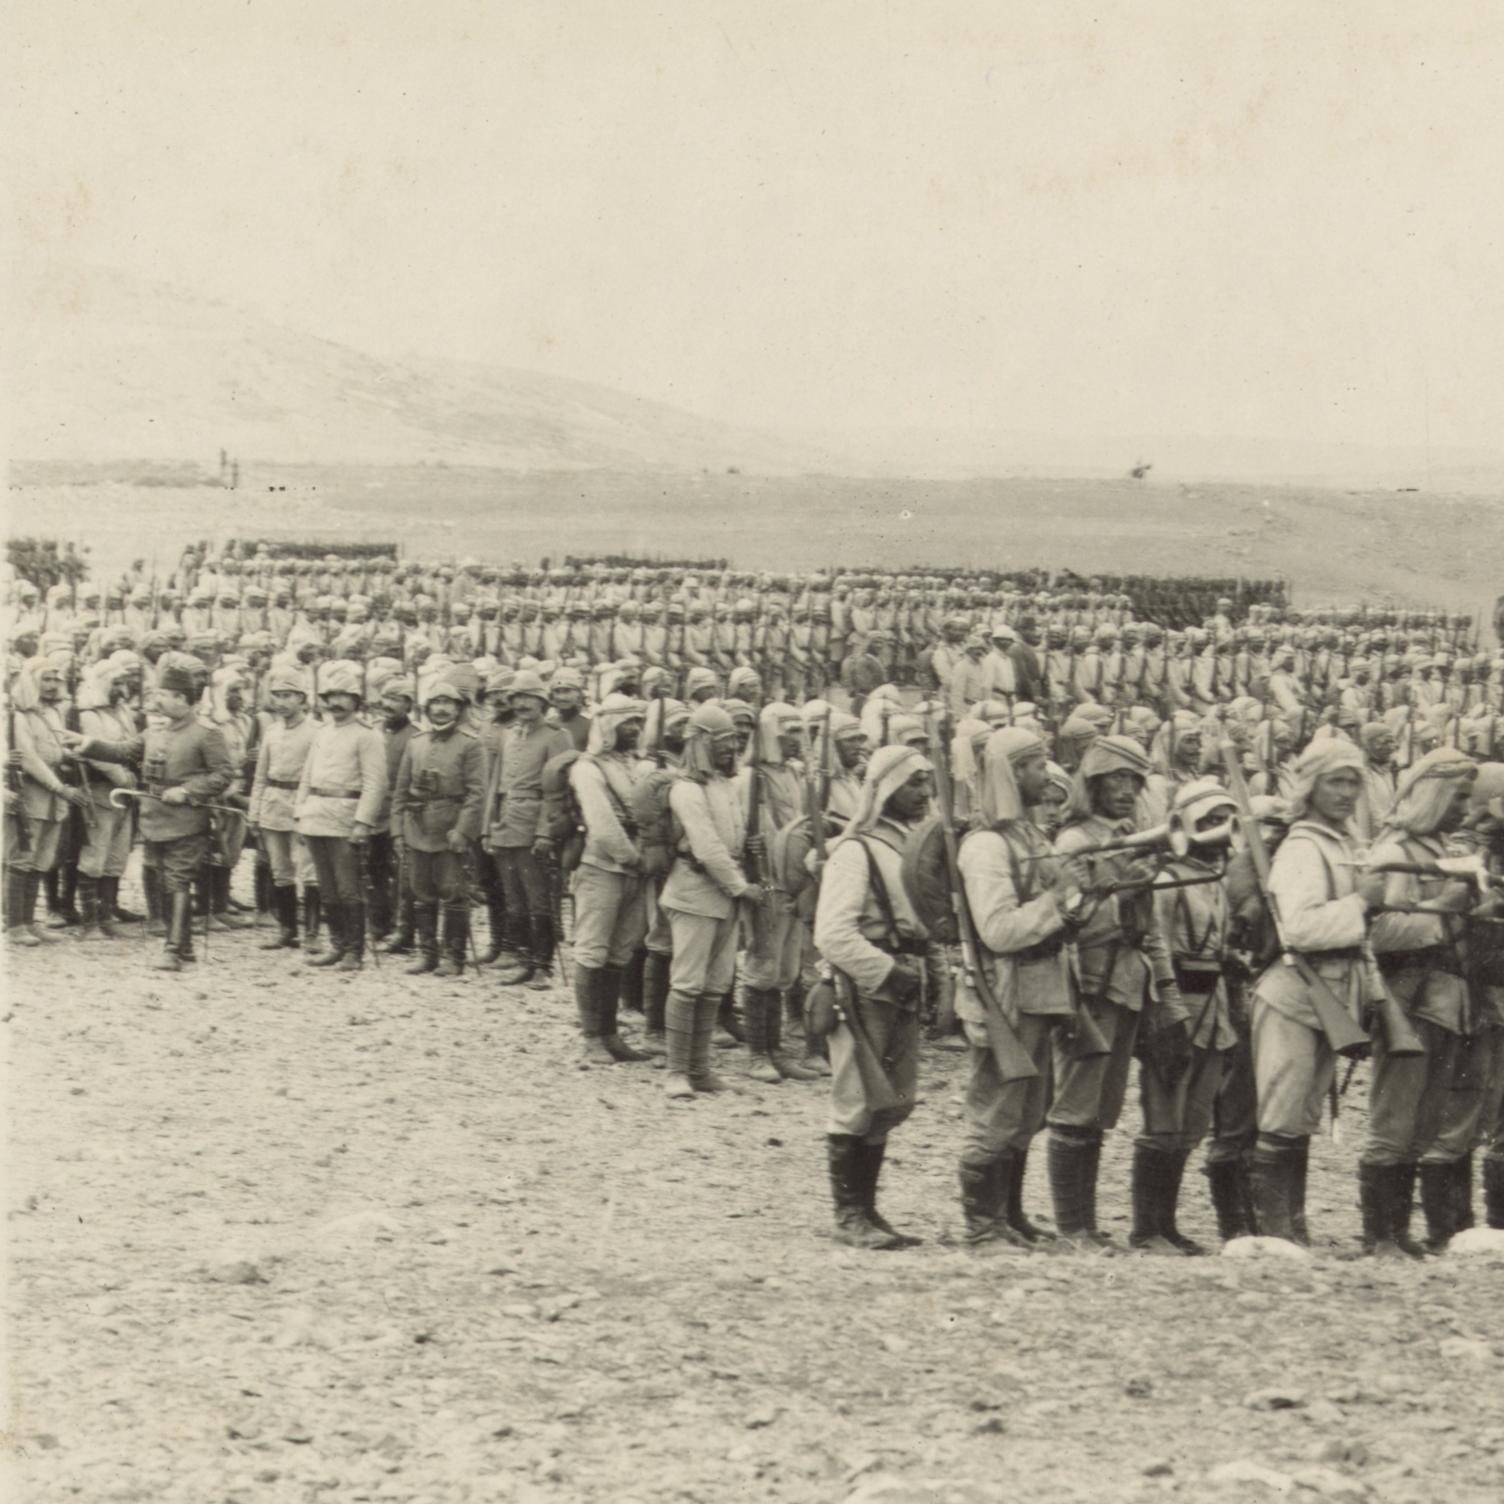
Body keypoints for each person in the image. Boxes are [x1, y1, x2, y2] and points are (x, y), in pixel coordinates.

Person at [1047, 736, 1187, 1252]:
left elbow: (1149, 928)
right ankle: (1072, 1227)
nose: (1127, 791)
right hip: (1088, 982)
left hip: (1127, 982)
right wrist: (1121, 892)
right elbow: (1069, 919)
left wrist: (1165, 991)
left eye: (1134, 781)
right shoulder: (1074, 841)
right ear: (1092, 785)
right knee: (1075, 1104)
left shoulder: (1128, 837)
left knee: (1101, 1108)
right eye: (1116, 781)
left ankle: (1085, 1224)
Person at [1246, 740, 1387, 1245]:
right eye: (1335, 782)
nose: (1347, 793)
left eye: (1353, 783)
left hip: (1330, 992)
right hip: (1294, 992)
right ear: (1311, 787)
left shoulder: (1341, 842)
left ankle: (1293, 1226)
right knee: (1283, 1112)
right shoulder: (1304, 847)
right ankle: (1274, 1230)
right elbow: (1300, 929)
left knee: (1303, 1114)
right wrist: (1361, 904)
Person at [956, 727, 1087, 1249]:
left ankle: (1008, 1217)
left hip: (1041, 988)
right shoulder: (987, 845)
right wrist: (1057, 899)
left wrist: (1081, 895)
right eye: (1034, 766)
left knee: (1029, 1110)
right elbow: (999, 931)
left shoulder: (1028, 836)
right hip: (1006, 991)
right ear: (1011, 774)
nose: (1045, 775)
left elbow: (1058, 905)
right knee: (997, 1108)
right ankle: (982, 1226)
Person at [813, 744, 935, 1250]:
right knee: (856, 1097)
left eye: (927, 781)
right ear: (885, 791)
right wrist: (886, 972)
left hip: (904, 980)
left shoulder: (914, 845)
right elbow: (832, 933)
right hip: (863, 987)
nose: (924, 792)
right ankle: (848, 1215)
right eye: (913, 783)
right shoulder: (855, 850)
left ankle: (867, 1208)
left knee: (890, 1099)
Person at [1362, 747, 1478, 1255]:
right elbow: (1379, 929)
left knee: (1425, 1120)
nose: (1464, 809)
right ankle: (1379, 1235)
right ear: (1433, 795)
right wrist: (1442, 910)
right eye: (1457, 797)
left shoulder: (1441, 847)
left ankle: (1398, 1232)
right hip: (1406, 996)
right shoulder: (1396, 848)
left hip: (1445, 997)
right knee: (1394, 1116)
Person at [62, 661, 233, 970]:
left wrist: (187, 791)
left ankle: (173, 949)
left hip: (185, 820)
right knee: (164, 881)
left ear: (182, 698)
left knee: (178, 881)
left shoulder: (207, 733)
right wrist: (86, 744)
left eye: (163, 695)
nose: (156, 701)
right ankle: (185, 946)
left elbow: (223, 774)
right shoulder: (154, 731)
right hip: (154, 819)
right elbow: (123, 751)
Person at [1134, 779, 1240, 1254]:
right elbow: (1154, 945)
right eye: (1210, 820)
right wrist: (1168, 1009)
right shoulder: (1168, 879)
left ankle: (1167, 1225)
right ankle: (1146, 1229)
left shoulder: (1215, 878)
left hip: (1213, 1009)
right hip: (1178, 1006)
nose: (1219, 830)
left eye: (1225, 820)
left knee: (1192, 1122)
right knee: (1164, 1116)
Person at [660, 702, 760, 1099]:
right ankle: (676, 1071)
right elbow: (706, 847)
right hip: (694, 893)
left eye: (734, 740)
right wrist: (740, 886)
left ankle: (700, 1068)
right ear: (701, 742)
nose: (732, 747)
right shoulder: (687, 789)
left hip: (724, 894)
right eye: (722, 741)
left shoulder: (724, 785)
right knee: (687, 983)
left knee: (715, 983)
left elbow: (730, 840)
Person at [738, 701, 823, 1084]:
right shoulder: (751, 777)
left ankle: (775, 1050)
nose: (796, 740)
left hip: (793, 878)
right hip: (767, 880)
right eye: (789, 733)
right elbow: (747, 827)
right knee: (763, 966)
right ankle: (758, 1053)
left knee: (785, 969)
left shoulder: (793, 774)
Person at [567, 693, 654, 1062]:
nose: (633, 729)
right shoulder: (588, 769)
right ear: (607, 726)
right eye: (625, 723)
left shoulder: (638, 765)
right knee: (593, 950)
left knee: (619, 951)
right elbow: (602, 824)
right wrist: (634, 857)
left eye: (637, 722)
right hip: (602, 867)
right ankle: (591, 1037)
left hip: (637, 869)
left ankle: (610, 1033)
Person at [294, 660, 387, 971]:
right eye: (330, 696)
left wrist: (363, 822)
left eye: (343, 696)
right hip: (316, 816)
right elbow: (307, 776)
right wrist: (300, 813)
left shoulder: (367, 735)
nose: (335, 702)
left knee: (348, 888)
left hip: (345, 818)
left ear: (356, 700)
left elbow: (375, 783)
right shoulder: (322, 732)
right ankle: (337, 944)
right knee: (327, 887)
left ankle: (354, 952)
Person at [391, 674, 486, 976]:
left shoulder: (470, 744)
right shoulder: (416, 742)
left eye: (448, 703)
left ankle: (453, 956)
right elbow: (401, 790)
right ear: (427, 708)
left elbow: (476, 794)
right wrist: (397, 830)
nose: (442, 709)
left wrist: (463, 831)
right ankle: (427, 953)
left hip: (450, 829)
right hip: (418, 828)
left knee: (453, 893)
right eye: (436, 703)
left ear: (459, 709)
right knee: (421, 893)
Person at [484, 670, 572, 989]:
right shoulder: (508, 734)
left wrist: (546, 831)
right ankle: (523, 959)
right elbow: (495, 784)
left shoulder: (555, 736)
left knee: (538, 899)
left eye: (529, 698)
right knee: (514, 899)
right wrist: (487, 827)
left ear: (543, 702)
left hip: (534, 823)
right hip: (505, 822)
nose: (522, 704)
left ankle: (542, 966)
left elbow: (557, 790)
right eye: (517, 698)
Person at [6, 657, 91, 944]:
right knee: (22, 858)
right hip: (31, 793)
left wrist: (69, 755)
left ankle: (30, 922)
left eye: (56, 679)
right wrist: (59, 787)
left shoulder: (53, 713)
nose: (52, 685)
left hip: (53, 796)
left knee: (41, 859)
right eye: (46, 679)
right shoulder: (18, 716)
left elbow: (55, 747)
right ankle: (15, 925)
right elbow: (28, 758)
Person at [247, 665, 317, 951]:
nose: (282, 701)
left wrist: (308, 809)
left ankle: (312, 934)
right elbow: (261, 775)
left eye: (289, 695)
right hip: (273, 804)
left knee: (310, 870)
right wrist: (254, 812)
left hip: (303, 804)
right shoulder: (272, 731)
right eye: (277, 695)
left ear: (302, 698)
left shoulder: (316, 731)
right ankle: (287, 930)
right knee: (280, 870)